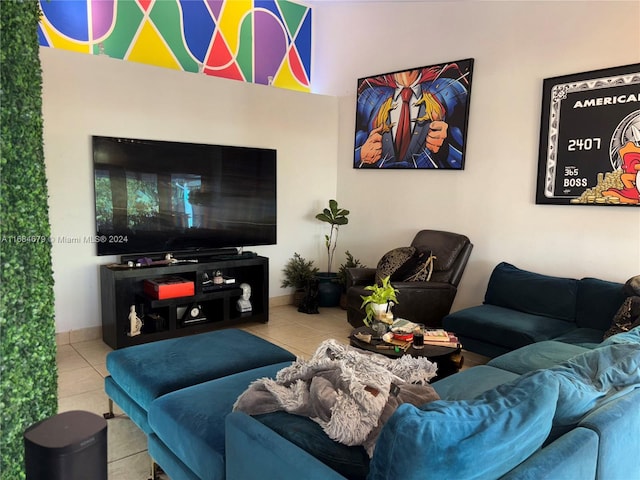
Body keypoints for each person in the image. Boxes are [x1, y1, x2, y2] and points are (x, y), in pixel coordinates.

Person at [354, 62, 472, 168]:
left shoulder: (450, 91)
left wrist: (444, 149)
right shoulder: (369, 98)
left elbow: (468, 158)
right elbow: (352, 153)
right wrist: (361, 154)